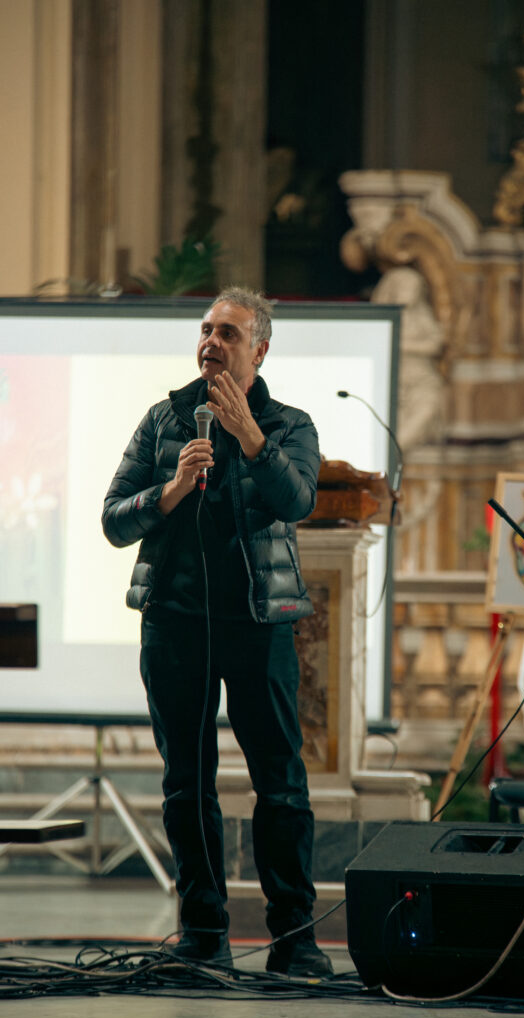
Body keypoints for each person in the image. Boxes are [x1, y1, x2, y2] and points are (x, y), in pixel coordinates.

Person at [101, 286, 332, 977]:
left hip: (259, 625)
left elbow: (297, 500)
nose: (211, 342)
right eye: (206, 330)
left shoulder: (289, 425)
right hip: (175, 623)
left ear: (260, 349)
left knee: (280, 784)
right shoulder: (165, 419)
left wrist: (252, 440)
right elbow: (114, 519)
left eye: (228, 333)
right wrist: (170, 491)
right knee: (186, 784)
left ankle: (295, 939)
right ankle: (203, 934)